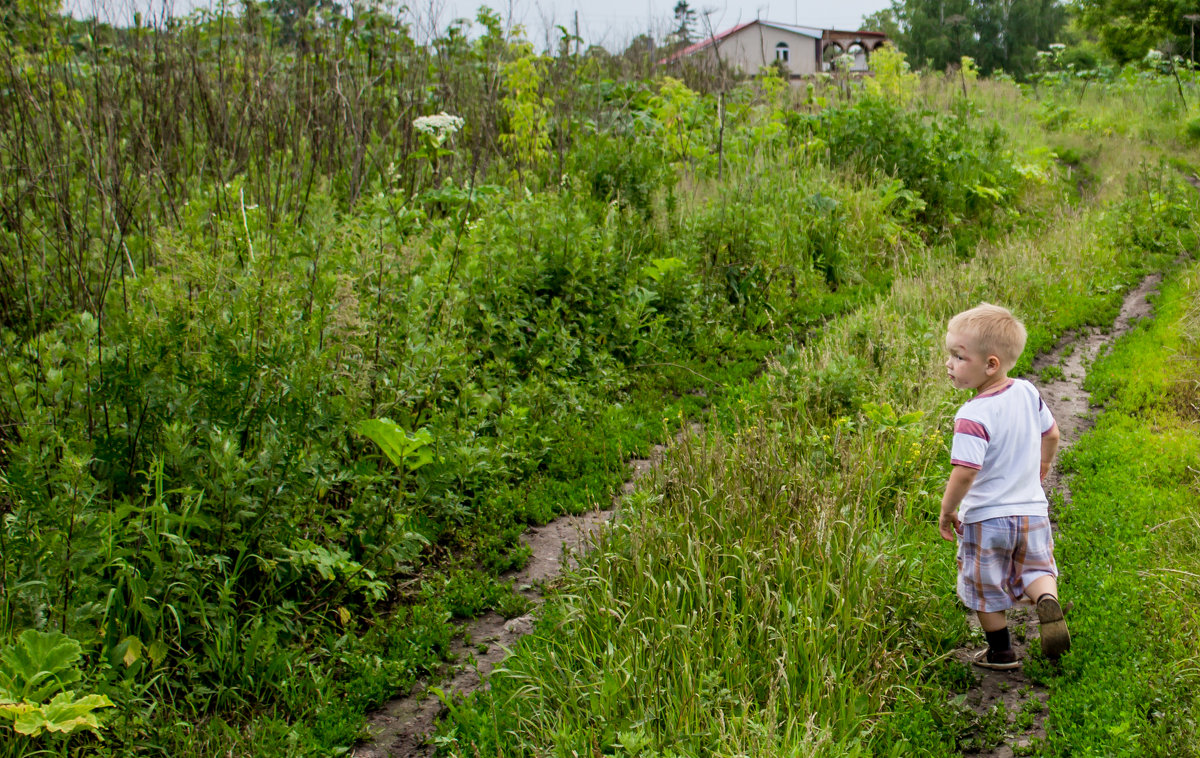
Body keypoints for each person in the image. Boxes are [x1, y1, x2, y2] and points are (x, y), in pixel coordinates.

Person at [939, 303, 1071, 670]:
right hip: (1031, 512)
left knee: (985, 589)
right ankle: (1046, 598)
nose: (949, 363)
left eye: (958, 356)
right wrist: (1044, 462)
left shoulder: (972, 414)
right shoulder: (1028, 393)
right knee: (1036, 569)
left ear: (991, 364)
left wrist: (949, 509)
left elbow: (965, 472)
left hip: (986, 519)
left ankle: (1001, 652)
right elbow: (1053, 433)